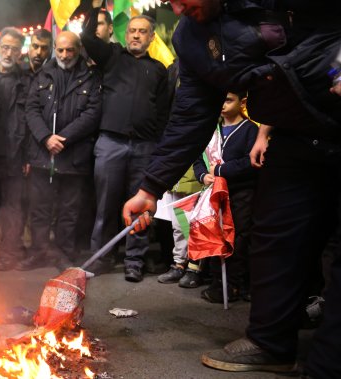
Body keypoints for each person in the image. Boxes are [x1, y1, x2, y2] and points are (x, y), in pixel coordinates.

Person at [122, 0, 341, 375]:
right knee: (274, 237)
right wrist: (151, 187)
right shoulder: (191, 35)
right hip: (295, 134)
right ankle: (270, 343)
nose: (176, 8)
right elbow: (191, 114)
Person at [81, 11, 170, 282]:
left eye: (142, 31)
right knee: (105, 206)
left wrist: (158, 147)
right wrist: (93, 7)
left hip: (145, 148)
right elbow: (86, 37)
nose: (135, 35)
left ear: (151, 38)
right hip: (111, 143)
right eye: (132, 30)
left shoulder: (159, 70)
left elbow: (164, 112)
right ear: (125, 33)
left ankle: (134, 261)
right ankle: (100, 258)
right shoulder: (112, 57)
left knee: (140, 209)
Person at [18, 31, 101, 271]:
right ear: (55, 48)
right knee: (40, 208)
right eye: (61, 49)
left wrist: (63, 138)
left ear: (78, 49)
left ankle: (63, 254)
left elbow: (93, 113)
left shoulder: (90, 77)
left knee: (69, 210)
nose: (65, 54)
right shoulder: (43, 74)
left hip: (73, 155)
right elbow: (31, 109)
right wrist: (46, 137)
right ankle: (39, 252)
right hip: (43, 154)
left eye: (70, 50)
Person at [192, 91, 257, 303]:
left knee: (238, 236)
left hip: (241, 193)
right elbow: (199, 158)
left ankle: (236, 284)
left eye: (229, 100)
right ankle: (218, 282)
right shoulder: (213, 129)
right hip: (215, 193)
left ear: (242, 102)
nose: (223, 105)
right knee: (216, 234)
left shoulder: (250, 130)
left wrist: (220, 170)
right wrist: (203, 176)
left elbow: (251, 162)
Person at [0, 27, 29, 271]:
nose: (9, 52)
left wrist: (26, 155)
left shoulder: (26, 79)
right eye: (5, 47)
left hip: (13, 151)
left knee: (12, 206)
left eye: (14, 48)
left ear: (19, 52)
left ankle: (9, 252)